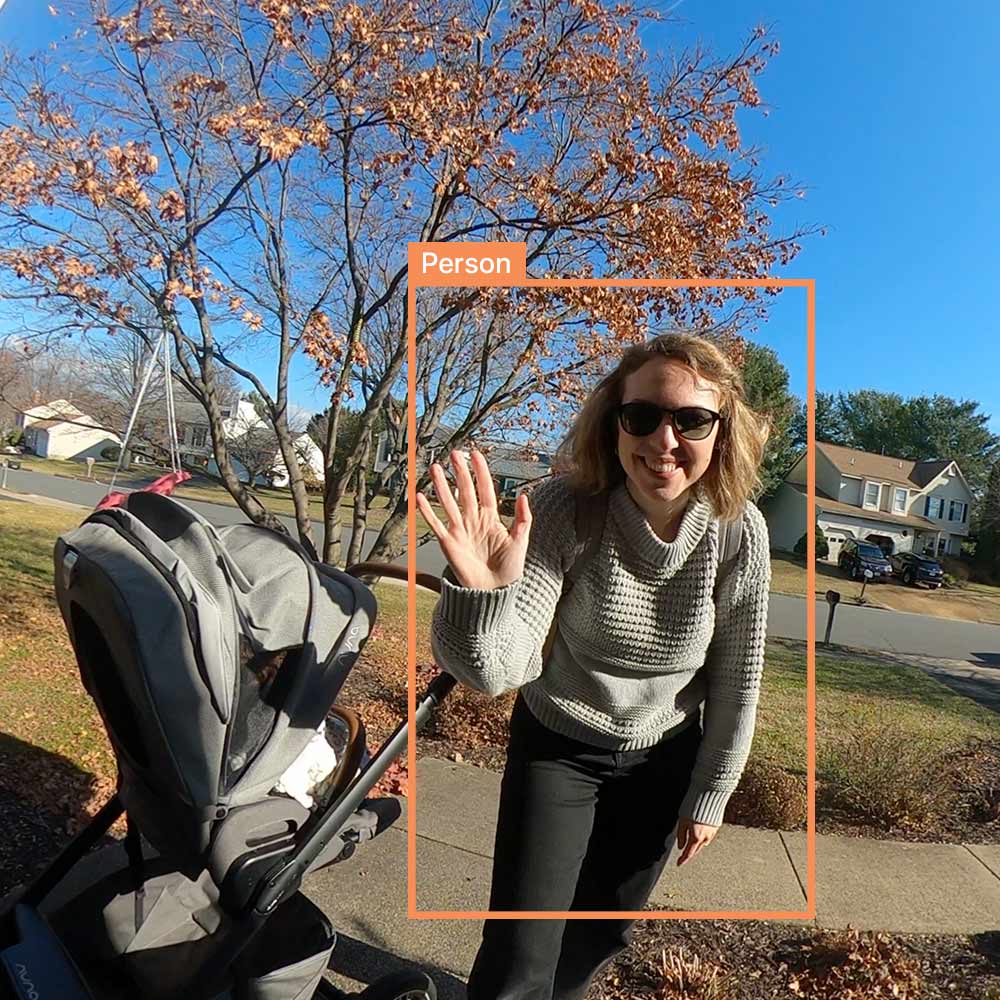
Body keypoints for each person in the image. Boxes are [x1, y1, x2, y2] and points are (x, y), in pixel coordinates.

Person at [416, 332, 772, 1000]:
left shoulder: (738, 531)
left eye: (692, 420)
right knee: (522, 949)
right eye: (642, 415)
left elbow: (736, 679)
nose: (664, 440)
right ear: (614, 424)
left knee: (601, 935)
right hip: (559, 746)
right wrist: (482, 596)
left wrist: (712, 792)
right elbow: (498, 670)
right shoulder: (566, 509)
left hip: (662, 756)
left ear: (722, 433)